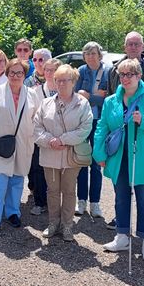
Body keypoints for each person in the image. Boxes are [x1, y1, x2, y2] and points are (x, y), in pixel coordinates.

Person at [93, 59, 144, 262]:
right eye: (122, 74)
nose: (125, 78)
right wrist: (99, 154)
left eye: (130, 74)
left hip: (143, 158)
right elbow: (102, 127)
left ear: (139, 76)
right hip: (119, 158)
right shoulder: (111, 101)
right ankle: (122, 236)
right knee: (121, 197)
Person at [103, 31, 144, 230]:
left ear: (143, 46)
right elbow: (113, 97)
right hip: (122, 136)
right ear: (124, 47)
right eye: (129, 44)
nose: (133, 47)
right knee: (121, 191)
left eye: (136, 44)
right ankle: (122, 226)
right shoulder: (114, 69)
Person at [34, 64, 93, 241]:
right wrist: (49, 141)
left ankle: (67, 225)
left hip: (71, 155)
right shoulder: (46, 103)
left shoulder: (82, 104)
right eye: (57, 80)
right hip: (50, 155)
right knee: (52, 191)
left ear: (73, 82)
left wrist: (63, 140)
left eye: (64, 80)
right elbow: (37, 128)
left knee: (68, 191)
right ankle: (53, 223)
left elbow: (85, 128)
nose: (60, 84)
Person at [0, 59, 40, 234]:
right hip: (1, 142)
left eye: (19, 73)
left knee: (17, 179)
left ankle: (13, 212)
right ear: (7, 74)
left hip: (24, 142)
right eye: (12, 72)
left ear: (24, 75)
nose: (15, 76)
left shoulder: (32, 94)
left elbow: (35, 118)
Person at [73, 41, 109, 219]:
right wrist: (95, 97)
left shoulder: (109, 71)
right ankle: (81, 201)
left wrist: (90, 96)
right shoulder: (81, 71)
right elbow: (76, 97)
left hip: (101, 122)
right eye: (86, 53)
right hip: (83, 121)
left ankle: (95, 203)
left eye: (93, 53)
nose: (90, 56)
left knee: (96, 163)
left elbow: (108, 100)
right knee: (81, 161)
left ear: (99, 54)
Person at [28, 58, 60, 216]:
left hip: (60, 137)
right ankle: (39, 202)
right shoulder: (36, 91)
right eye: (46, 70)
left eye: (53, 70)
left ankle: (55, 202)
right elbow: (32, 114)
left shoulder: (65, 90)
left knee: (58, 170)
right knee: (38, 169)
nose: (49, 73)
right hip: (40, 136)